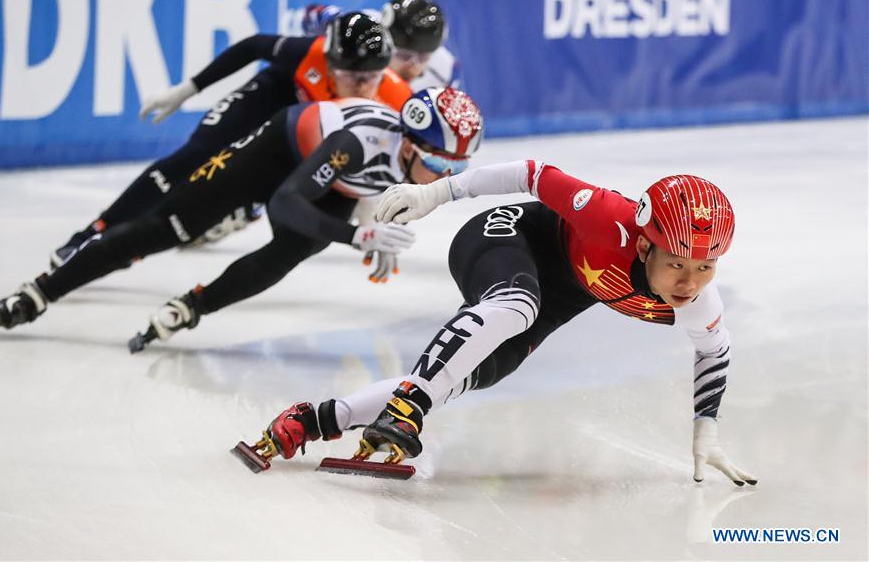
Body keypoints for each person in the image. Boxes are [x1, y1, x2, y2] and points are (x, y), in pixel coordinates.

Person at [239, 161, 757, 486]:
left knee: (480, 370)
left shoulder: (694, 302)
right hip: (505, 239)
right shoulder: (605, 216)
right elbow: (529, 174)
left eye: (705, 267)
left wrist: (704, 431)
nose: (689, 281)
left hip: (558, 295)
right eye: (677, 263)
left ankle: (317, 419)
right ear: (644, 243)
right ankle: (408, 408)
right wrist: (434, 195)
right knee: (515, 305)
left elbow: (714, 351)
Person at [0, 88, 484, 349]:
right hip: (273, 154)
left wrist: (368, 230)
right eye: (440, 164)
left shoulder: (411, 162)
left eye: (455, 168)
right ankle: (42, 290)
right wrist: (359, 233)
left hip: (328, 182)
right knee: (166, 230)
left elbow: (356, 197)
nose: (441, 176)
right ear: (413, 141)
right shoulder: (358, 144)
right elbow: (287, 202)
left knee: (291, 251)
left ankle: (193, 306)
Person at [49, 12, 413, 267]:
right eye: (351, 76)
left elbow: (408, 159)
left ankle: (143, 242)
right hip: (274, 96)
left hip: (302, 132)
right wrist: (187, 89)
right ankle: (89, 234)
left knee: (242, 187)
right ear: (330, 60)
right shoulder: (308, 53)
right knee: (191, 159)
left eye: (373, 78)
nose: (363, 87)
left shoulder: (397, 98)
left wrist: (375, 215)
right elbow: (253, 46)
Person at [302, 0, 460, 91]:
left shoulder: (446, 70)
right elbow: (310, 15)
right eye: (404, 56)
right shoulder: (362, 28)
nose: (413, 66)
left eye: (424, 58)